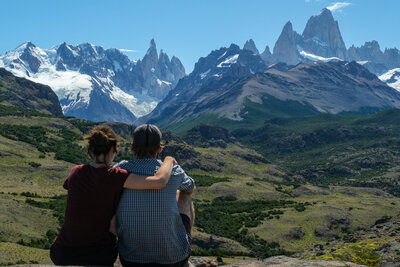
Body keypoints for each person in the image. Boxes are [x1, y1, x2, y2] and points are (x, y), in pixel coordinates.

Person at [50, 125, 177, 266]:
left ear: (90, 151)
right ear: (112, 150)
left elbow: (71, 187)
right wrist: (169, 160)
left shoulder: (76, 171)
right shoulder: (115, 176)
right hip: (98, 255)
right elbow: (159, 181)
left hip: (61, 252)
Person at [116, 124, 195, 266]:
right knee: (184, 193)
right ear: (160, 148)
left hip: (131, 259)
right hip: (173, 259)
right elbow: (191, 187)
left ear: (132, 147)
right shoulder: (175, 171)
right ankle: (184, 243)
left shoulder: (120, 170)